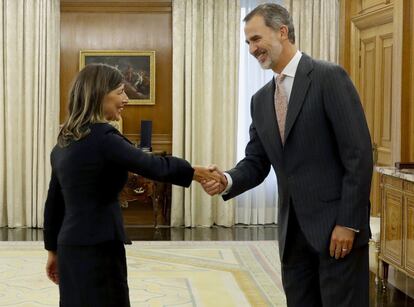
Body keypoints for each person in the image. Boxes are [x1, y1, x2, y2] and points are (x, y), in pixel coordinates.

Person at [201, 4, 373, 307]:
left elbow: (358, 156)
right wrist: (226, 180)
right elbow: (256, 162)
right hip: (292, 237)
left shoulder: (328, 77)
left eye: (256, 39)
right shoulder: (260, 100)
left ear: (282, 31)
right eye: (248, 43)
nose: (252, 49)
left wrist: (349, 223)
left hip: (337, 232)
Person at [43, 63, 219, 306]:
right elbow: (152, 165)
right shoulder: (105, 138)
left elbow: (54, 203)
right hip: (100, 246)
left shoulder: (63, 142)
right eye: (120, 92)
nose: (126, 98)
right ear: (99, 95)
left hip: (70, 245)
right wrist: (193, 172)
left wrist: (53, 251)